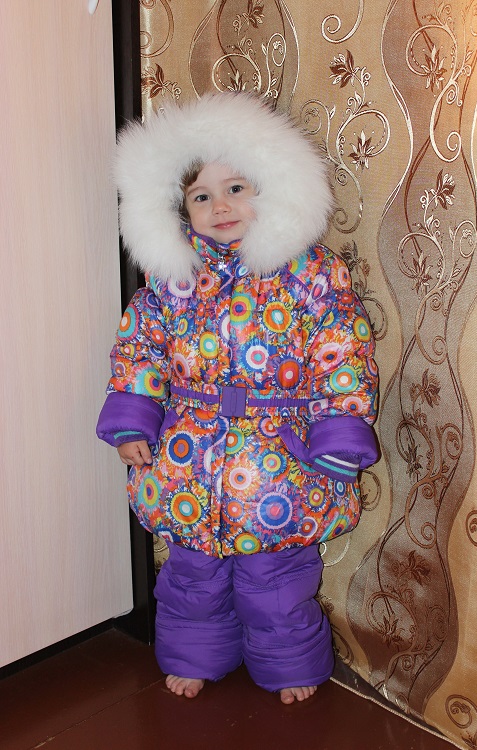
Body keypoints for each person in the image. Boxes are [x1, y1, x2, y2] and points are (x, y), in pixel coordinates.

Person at [97, 93, 379, 704]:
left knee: (276, 581)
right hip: (187, 457)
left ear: (272, 190)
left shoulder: (311, 276)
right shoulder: (170, 284)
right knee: (190, 575)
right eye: (201, 196)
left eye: (235, 188)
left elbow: (342, 354)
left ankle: (290, 664)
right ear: (178, 210)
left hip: (280, 461)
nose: (219, 206)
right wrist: (133, 421)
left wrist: (338, 432)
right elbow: (139, 349)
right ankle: (195, 656)